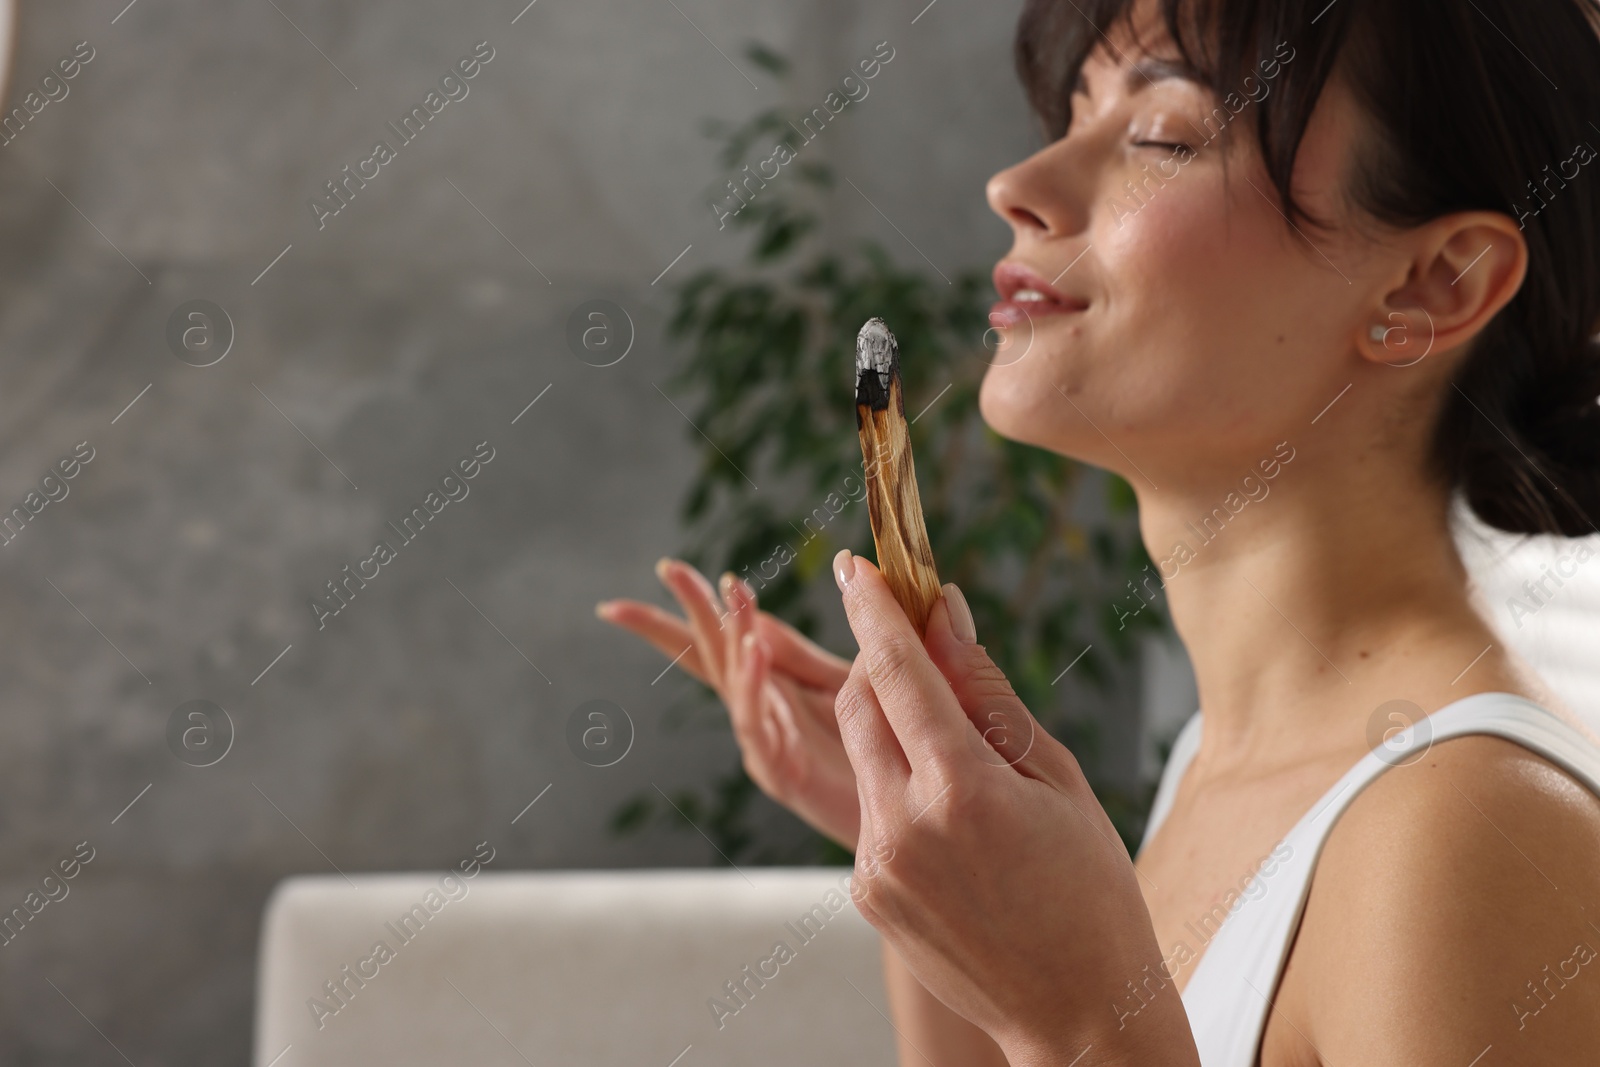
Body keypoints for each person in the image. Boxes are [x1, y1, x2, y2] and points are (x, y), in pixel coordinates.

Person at [598, 0, 1600, 1061]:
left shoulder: (1462, 838)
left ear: (1430, 283)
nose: (1015, 187)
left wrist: (1072, 1016)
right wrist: (914, 842)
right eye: (1071, 114)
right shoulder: (1222, 762)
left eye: (1162, 135)